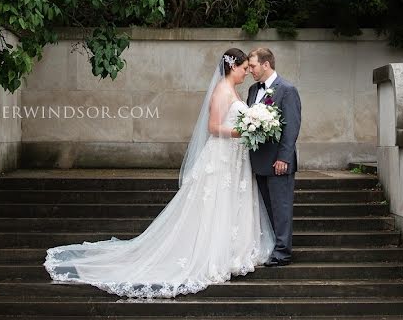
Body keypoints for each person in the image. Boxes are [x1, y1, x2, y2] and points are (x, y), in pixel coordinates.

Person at [44, 48, 275, 298]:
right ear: (233, 66)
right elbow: (212, 127)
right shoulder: (221, 89)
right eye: (243, 68)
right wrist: (242, 132)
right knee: (214, 204)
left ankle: (232, 251)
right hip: (221, 156)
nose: (246, 73)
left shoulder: (234, 90)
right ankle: (212, 254)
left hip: (234, 159)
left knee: (228, 203)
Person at [246, 47, 302, 267]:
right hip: (258, 162)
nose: (250, 70)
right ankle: (270, 248)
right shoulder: (252, 90)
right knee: (266, 209)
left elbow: (292, 127)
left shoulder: (287, 90)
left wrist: (284, 158)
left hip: (279, 162)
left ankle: (282, 253)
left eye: (253, 66)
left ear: (266, 64)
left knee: (281, 208)